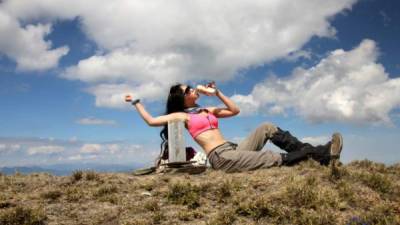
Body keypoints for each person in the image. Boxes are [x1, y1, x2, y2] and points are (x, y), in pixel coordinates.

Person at [125, 82, 343, 173]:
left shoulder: (207, 110)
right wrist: (137, 103)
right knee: (271, 158)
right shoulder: (181, 115)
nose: (193, 90)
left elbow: (235, 110)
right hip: (222, 158)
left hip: (234, 148)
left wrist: (217, 93)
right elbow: (152, 121)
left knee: (266, 126)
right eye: (188, 90)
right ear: (181, 97)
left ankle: (320, 154)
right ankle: (321, 155)